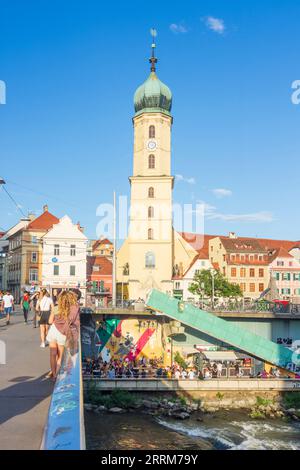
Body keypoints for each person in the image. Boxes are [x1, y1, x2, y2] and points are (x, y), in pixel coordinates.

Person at [47, 290, 79, 380]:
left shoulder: (56, 308)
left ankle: (53, 374)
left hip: (53, 331)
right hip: (62, 333)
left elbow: (49, 321)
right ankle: (56, 377)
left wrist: (55, 321)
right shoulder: (71, 309)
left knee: (52, 354)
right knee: (61, 356)